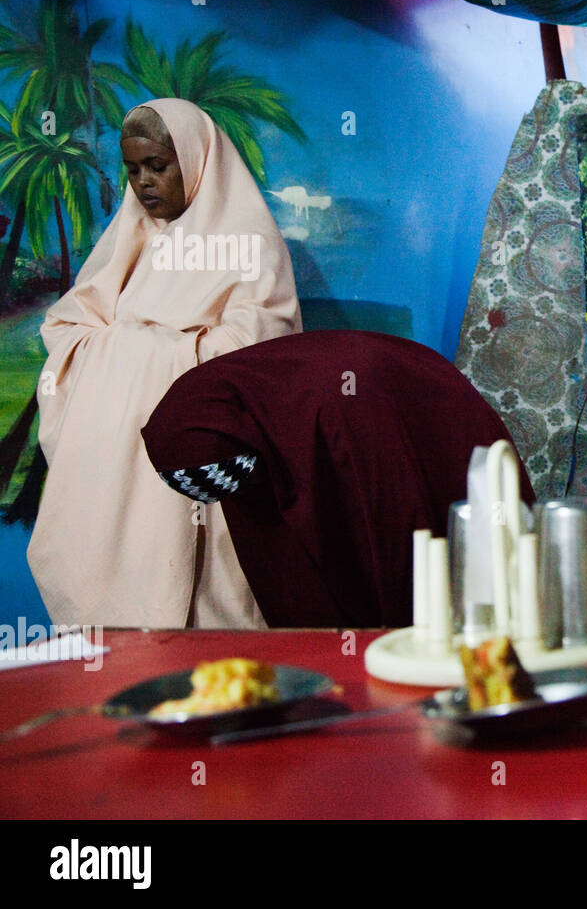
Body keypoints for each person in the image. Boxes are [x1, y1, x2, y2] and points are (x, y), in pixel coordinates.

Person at [28, 98, 301, 628]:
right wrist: (138, 346)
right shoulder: (126, 240)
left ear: (197, 160)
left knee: (206, 620)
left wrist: (145, 348)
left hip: (200, 475)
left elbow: (262, 348)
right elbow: (66, 329)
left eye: (158, 166)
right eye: (132, 170)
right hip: (115, 466)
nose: (144, 183)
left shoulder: (249, 244)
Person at [140, 330, 535, 627]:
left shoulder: (341, 407)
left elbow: (398, 535)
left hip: (404, 413)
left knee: (428, 573)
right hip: (351, 412)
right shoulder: (245, 416)